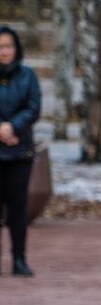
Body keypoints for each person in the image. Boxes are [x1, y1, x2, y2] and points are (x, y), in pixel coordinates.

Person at [0, 26, 41, 277]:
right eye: (0, 47)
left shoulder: (28, 76)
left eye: (8, 46)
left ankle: (19, 259)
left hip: (19, 151)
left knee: (18, 208)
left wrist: (12, 126)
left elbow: (33, 107)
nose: (4, 51)